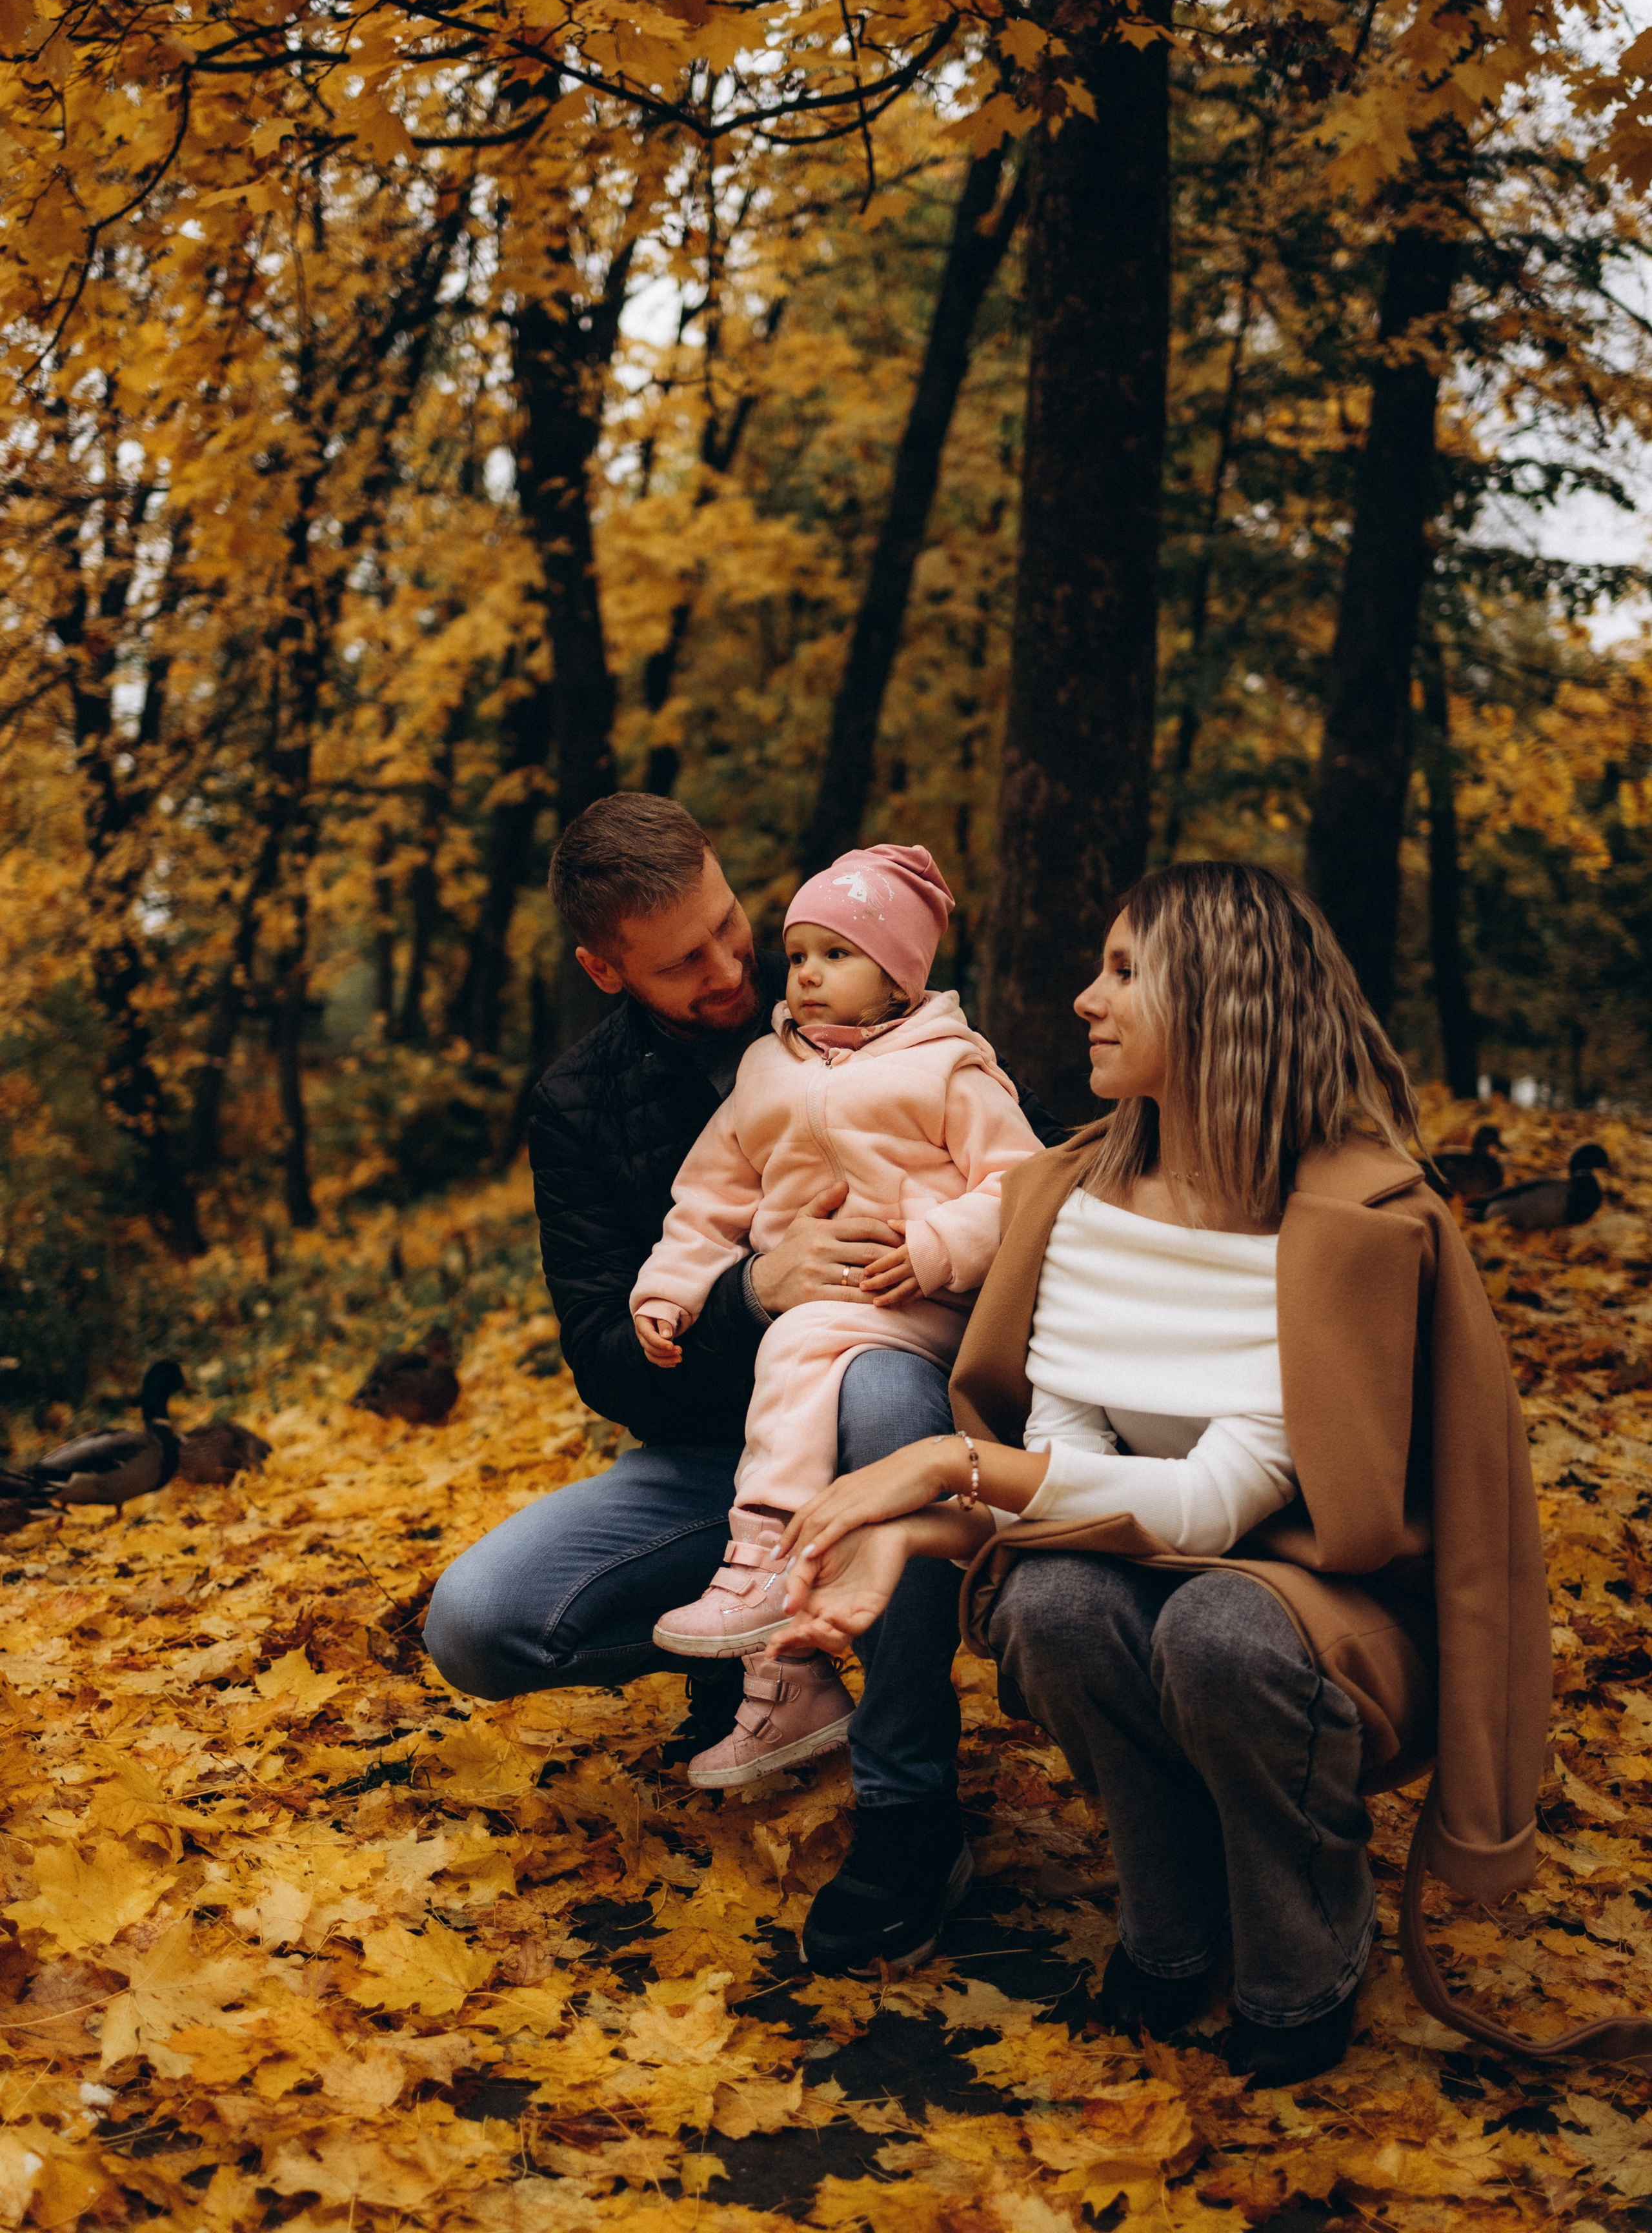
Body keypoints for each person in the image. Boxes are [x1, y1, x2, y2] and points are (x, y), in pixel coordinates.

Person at [769, 860, 1555, 2086]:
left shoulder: (1355, 1225)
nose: (1087, 998)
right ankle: (1172, 1916)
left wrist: (948, 1465)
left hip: (1328, 1611)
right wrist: (927, 1533)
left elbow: (1216, 1505)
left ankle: (1309, 1939)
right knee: (1055, 1605)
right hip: (1144, 1573)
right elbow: (1071, 1460)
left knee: (1222, 1628)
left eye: (1127, 972)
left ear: (1226, 1001)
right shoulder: (1072, 1198)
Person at [423, 792, 1063, 1975]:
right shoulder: (579, 1106)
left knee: (877, 1402)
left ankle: (909, 1812)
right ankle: (759, 1656)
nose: (735, 970)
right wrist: (747, 1294)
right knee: (475, 1624)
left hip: (897, 1413)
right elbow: (609, 1360)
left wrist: (923, 1256)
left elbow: (1021, 1196)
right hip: (713, 1453)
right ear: (605, 971)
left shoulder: (888, 1015)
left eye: (733, 928)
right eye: (683, 964)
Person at [630, 842, 1042, 1788]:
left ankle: (767, 1547)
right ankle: (787, 1679)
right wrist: (670, 1290)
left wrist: (938, 1246)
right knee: (804, 1358)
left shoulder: (948, 1069)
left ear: (899, 976)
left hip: (929, 1304)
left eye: (837, 954)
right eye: (799, 951)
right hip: (822, 1314)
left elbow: (1022, 1184)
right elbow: (708, 1201)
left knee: (804, 1344)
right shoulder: (766, 1072)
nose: (805, 974)